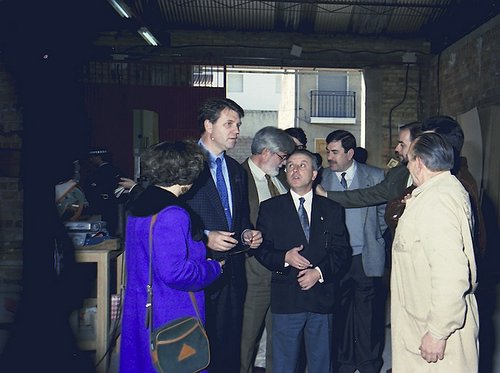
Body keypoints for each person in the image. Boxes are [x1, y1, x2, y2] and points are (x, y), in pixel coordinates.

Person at [119, 140, 223, 373]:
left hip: (142, 309)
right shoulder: (173, 214)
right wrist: (213, 268)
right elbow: (176, 273)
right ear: (188, 174)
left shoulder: (140, 206)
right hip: (170, 312)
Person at [182, 97, 263, 373]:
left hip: (232, 271)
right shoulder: (183, 164)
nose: (236, 131)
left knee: (229, 343)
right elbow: (168, 216)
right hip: (197, 268)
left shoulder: (234, 170)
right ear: (208, 125)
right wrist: (205, 237)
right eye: (229, 124)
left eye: (238, 125)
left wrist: (246, 234)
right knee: (196, 343)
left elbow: (239, 219)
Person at [255, 149, 351, 373]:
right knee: (284, 364)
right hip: (287, 299)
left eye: (302, 165)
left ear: (315, 173)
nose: (295, 170)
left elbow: (341, 251)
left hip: (321, 298)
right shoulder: (270, 208)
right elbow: (262, 250)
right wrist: (284, 257)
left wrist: (318, 272)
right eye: (290, 166)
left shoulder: (332, 209)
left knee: (321, 362)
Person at [391, 132, 479, 372]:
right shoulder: (436, 193)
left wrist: (438, 332)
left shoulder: (438, 201)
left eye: (409, 160)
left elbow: (452, 274)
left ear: (419, 162)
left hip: (434, 331)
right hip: (422, 321)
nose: (408, 166)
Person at [321, 130, 387, 373]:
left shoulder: (376, 176)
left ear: (350, 153)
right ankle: (343, 363)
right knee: (337, 313)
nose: (329, 157)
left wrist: (373, 237)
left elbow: (382, 215)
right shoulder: (321, 179)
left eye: (335, 152)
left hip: (365, 256)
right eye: (328, 151)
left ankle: (369, 364)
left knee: (368, 316)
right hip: (334, 259)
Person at [240, 126, 296, 373]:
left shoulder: (281, 179)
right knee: (246, 335)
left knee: (279, 335)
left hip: (284, 269)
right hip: (253, 269)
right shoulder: (238, 177)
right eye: (282, 157)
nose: (284, 164)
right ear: (265, 152)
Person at [316, 121, 422, 210]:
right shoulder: (396, 175)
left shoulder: (434, 176)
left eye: (402, 144)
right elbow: (367, 195)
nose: (397, 149)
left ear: (417, 145)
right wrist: (326, 195)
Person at [84, 147, 124, 236]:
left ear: (98, 157)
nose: (91, 160)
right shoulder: (117, 170)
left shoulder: (96, 173)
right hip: (115, 205)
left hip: (101, 206)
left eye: (92, 157)